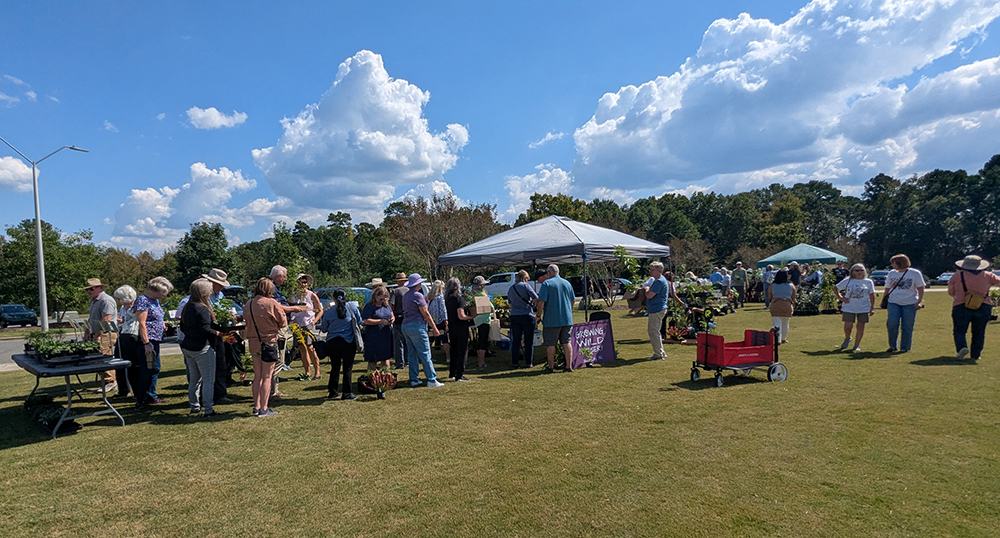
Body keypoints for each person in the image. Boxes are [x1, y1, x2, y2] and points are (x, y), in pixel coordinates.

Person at [179, 279, 225, 417]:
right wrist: (218, 333)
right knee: (208, 379)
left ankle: (194, 405)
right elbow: (205, 329)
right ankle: (209, 409)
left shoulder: (188, 306)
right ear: (205, 292)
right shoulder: (202, 308)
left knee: (194, 379)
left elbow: (182, 326)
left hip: (188, 346)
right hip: (202, 348)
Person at [245, 278, 287, 417]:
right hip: (268, 342)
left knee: (257, 376)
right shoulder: (271, 303)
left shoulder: (249, 304)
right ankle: (264, 408)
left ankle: (256, 407)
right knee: (267, 376)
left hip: (253, 343)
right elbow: (283, 321)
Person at [948, 255, 1000, 361]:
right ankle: (976, 354)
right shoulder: (988, 275)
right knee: (979, 332)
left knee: (959, 330)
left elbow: (951, 292)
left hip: (961, 305)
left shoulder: (957, 275)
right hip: (983, 305)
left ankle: (962, 347)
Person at [132, 276, 173, 405]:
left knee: (154, 368)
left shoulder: (154, 301)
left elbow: (155, 317)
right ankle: (143, 397)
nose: (163, 296)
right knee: (148, 368)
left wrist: (162, 324)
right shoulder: (143, 300)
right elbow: (142, 323)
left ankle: (151, 395)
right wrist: (146, 343)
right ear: (154, 290)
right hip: (148, 340)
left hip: (156, 339)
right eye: (162, 293)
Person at [399, 274, 444, 388]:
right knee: (425, 353)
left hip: (405, 326)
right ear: (417, 284)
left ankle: (414, 379)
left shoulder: (406, 295)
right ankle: (431, 379)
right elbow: (426, 314)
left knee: (412, 354)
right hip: (417, 326)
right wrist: (434, 328)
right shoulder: (418, 295)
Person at [318, 288, 363, 400]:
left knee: (335, 367)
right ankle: (347, 393)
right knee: (347, 368)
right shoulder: (352, 308)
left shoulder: (328, 311)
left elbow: (324, 329)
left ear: (333, 298)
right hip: (348, 342)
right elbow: (359, 321)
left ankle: (332, 392)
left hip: (333, 342)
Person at [536, 264, 575, 372]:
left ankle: (551, 367)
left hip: (552, 320)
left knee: (550, 344)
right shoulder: (567, 283)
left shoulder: (547, 284)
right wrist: (568, 311)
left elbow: (541, 302)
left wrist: (538, 315)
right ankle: (568, 366)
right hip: (567, 319)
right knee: (567, 342)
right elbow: (572, 300)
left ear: (549, 272)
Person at [884, 254, 925, 353]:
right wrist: (884, 299)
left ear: (899, 263)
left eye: (893, 263)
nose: (892, 265)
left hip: (910, 303)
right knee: (892, 324)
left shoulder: (915, 273)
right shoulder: (891, 273)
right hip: (893, 302)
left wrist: (919, 301)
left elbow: (920, 288)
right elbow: (887, 287)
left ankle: (905, 347)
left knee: (907, 326)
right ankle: (892, 346)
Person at [84, 278, 119, 393]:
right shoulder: (95, 300)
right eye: (87, 289)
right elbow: (91, 319)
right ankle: (107, 381)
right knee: (97, 357)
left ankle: (111, 381)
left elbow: (105, 320)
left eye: (91, 288)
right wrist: (88, 332)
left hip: (106, 333)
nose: (89, 291)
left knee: (104, 357)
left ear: (100, 288)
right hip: (97, 333)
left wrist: (97, 335)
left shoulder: (106, 300)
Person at [835, 264, 876, 353]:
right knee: (848, 326)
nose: (859, 272)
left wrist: (872, 307)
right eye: (856, 270)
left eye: (861, 270)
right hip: (849, 307)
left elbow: (872, 295)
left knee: (860, 326)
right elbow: (835, 288)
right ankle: (847, 338)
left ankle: (857, 345)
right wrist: (841, 298)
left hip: (863, 308)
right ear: (852, 271)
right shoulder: (848, 280)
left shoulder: (868, 282)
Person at [290, 274, 324, 381]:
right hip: (296, 324)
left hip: (308, 324)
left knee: (310, 347)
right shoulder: (293, 295)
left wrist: (314, 321)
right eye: (301, 281)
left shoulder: (311, 295)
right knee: (302, 348)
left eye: (305, 282)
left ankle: (317, 371)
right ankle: (307, 371)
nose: (303, 284)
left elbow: (320, 309)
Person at [507, 270, 539, 368]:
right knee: (528, 341)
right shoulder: (526, 286)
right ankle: (528, 362)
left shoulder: (511, 288)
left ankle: (514, 362)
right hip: (527, 315)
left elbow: (509, 301)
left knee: (516, 340)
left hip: (515, 316)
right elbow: (536, 297)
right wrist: (533, 304)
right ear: (525, 278)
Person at [112, 285, 139, 399]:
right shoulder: (123, 308)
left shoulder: (137, 307)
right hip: (123, 334)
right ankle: (123, 389)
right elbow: (123, 320)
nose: (118, 301)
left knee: (132, 365)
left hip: (133, 335)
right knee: (119, 362)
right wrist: (119, 321)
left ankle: (136, 390)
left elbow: (137, 320)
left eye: (119, 298)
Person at [444, 277, 474, 381]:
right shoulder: (459, 298)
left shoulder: (447, 298)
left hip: (452, 327)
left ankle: (452, 372)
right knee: (462, 350)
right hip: (461, 326)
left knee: (454, 350)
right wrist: (472, 317)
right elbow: (461, 315)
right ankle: (459, 374)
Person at [360, 284, 396, 369]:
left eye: (385, 298)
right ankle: (371, 378)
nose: (382, 300)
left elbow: (392, 315)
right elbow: (365, 321)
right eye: (381, 298)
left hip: (385, 335)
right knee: (373, 360)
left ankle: (386, 378)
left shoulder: (386, 306)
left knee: (385, 358)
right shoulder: (369, 306)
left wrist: (392, 319)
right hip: (373, 336)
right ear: (375, 296)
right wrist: (380, 321)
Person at [644, 262, 672, 360]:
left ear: (658, 270)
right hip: (659, 308)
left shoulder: (659, 281)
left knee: (653, 332)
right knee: (655, 331)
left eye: (652, 269)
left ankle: (658, 353)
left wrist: (646, 288)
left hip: (657, 309)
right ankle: (660, 352)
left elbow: (649, 295)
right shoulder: (660, 280)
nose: (650, 271)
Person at [768, 269, 796, 344]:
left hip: (776, 304)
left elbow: (769, 296)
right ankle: (784, 338)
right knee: (785, 323)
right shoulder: (791, 285)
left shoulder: (772, 285)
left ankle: (778, 340)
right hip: (787, 305)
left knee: (777, 323)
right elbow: (793, 297)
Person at [470, 276, 492, 370]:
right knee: (483, 342)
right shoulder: (482, 295)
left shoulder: (472, 294)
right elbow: (489, 308)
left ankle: (480, 361)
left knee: (480, 341)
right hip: (484, 320)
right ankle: (481, 363)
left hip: (477, 320)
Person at [426, 280, 449, 358]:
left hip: (431, 321)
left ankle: (428, 356)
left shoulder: (429, 297)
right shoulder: (440, 297)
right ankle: (448, 357)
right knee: (444, 339)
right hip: (440, 321)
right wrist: (446, 320)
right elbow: (443, 310)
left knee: (430, 339)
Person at [391, 272, 409, 369]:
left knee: (398, 342)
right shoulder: (409, 290)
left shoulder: (395, 291)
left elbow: (392, 305)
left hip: (398, 317)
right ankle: (408, 361)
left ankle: (400, 363)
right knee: (407, 340)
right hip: (408, 317)